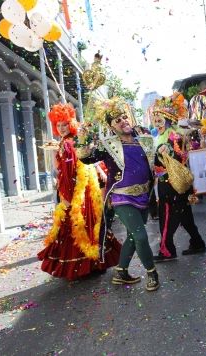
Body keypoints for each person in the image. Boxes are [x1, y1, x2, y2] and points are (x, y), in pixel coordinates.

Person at [78, 98, 160, 291]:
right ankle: (152, 273)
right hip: (121, 198)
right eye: (117, 120)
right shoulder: (107, 145)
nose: (123, 121)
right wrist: (83, 140)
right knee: (140, 236)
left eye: (124, 117)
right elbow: (86, 159)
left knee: (133, 236)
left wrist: (167, 151)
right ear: (111, 127)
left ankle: (121, 271)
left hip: (144, 196)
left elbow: (156, 162)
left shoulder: (145, 141)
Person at [38, 103, 121, 280]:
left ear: (71, 124)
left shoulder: (69, 142)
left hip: (77, 190)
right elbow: (60, 169)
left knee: (79, 224)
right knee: (87, 224)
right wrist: (54, 152)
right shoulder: (66, 141)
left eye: (64, 124)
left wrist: (66, 197)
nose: (61, 128)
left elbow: (69, 171)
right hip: (80, 188)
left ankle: (86, 264)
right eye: (58, 125)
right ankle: (93, 262)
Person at [151, 93, 206, 262]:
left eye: (160, 120)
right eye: (155, 120)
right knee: (184, 214)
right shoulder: (164, 136)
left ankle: (167, 250)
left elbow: (176, 159)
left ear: (168, 120)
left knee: (167, 215)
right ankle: (197, 243)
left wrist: (158, 155)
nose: (157, 123)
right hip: (173, 183)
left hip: (171, 183)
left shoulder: (173, 136)